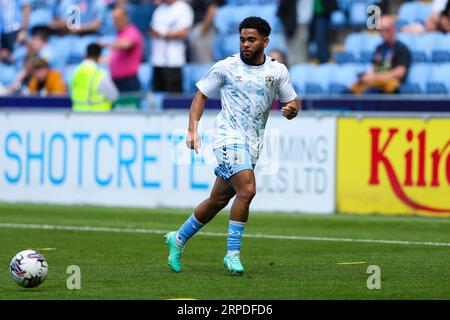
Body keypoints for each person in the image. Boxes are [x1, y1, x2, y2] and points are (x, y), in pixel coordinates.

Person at [164, 17, 300, 275]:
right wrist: (193, 128)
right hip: (227, 138)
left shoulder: (277, 71)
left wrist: (292, 110)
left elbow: (293, 101)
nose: (246, 44)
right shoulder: (226, 67)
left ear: (265, 41)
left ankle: (178, 238)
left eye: (251, 40)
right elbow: (200, 96)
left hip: (253, 144)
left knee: (218, 200)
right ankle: (232, 254)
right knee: (247, 189)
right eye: (242, 39)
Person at [349, 15, 411, 95]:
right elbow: (373, 67)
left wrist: (378, 77)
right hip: (375, 84)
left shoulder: (401, 48)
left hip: (389, 88)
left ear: (393, 29)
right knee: (349, 91)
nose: (383, 33)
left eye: (386, 30)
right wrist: (366, 76)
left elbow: (400, 72)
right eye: (381, 30)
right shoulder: (380, 48)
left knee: (369, 94)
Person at [149, 0, 194, 92]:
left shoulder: (183, 8)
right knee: (157, 94)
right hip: (157, 59)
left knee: (174, 96)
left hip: (174, 60)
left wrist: (162, 34)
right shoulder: (159, 9)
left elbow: (184, 32)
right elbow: (152, 30)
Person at [70, 43, 119, 112]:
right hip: (98, 116)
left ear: (86, 55)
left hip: (77, 113)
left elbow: (71, 90)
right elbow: (114, 96)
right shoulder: (100, 74)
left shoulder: (74, 71)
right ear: (99, 56)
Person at [106, 6, 143, 93]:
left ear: (126, 18)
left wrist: (106, 44)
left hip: (128, 82)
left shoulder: (132, 31)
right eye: (113, 19)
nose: (114, 22)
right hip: (116, 81)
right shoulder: (119, 34)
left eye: (117, 19)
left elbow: (126, 44)